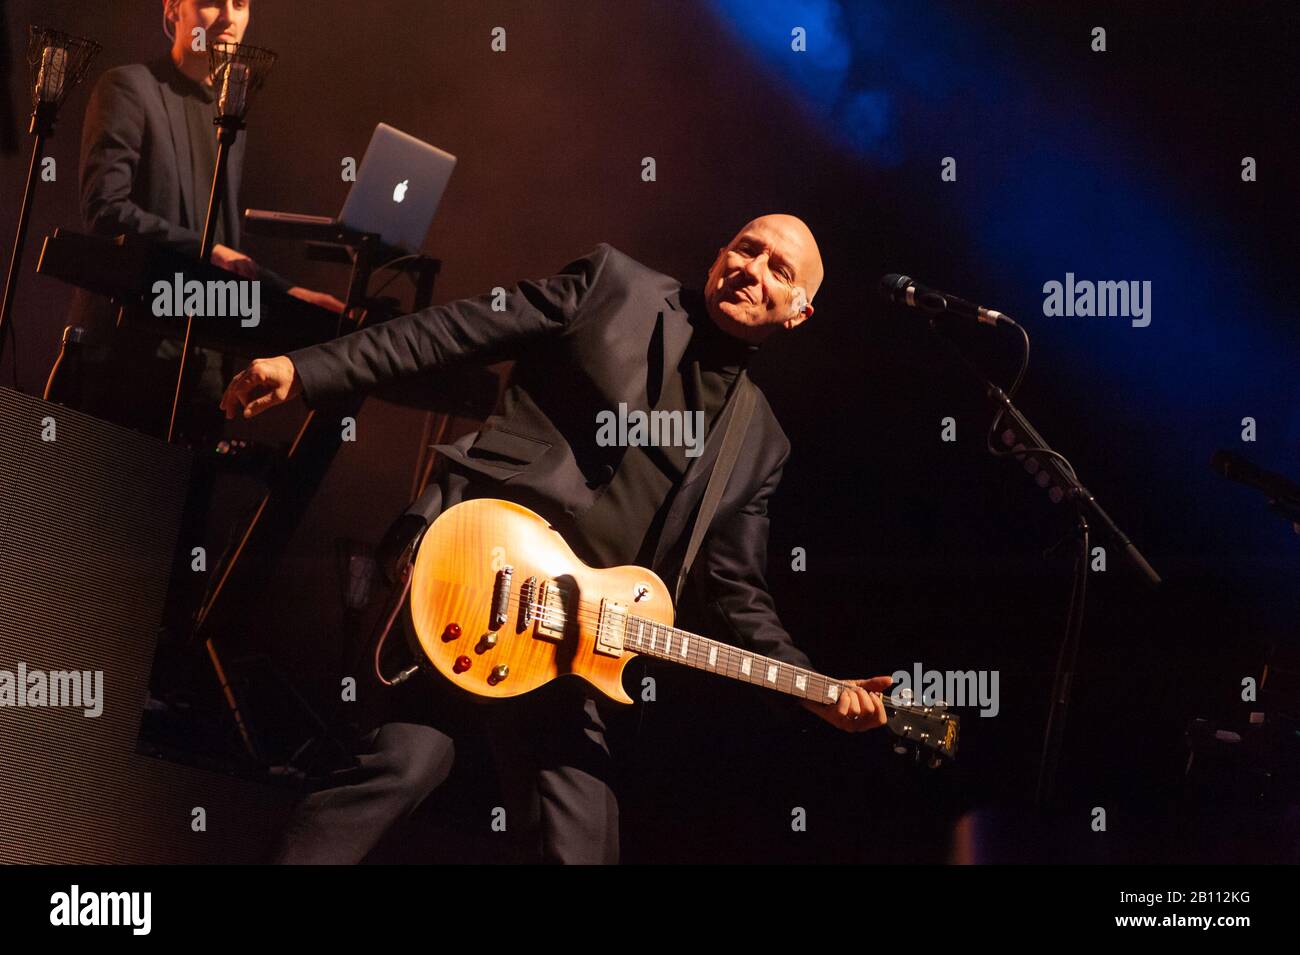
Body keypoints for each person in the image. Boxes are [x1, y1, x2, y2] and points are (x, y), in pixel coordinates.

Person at [221, 214, 894, 864]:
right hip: (474, 569)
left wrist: (811, 684)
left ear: (799, 311)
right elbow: (457, 329)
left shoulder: (759, 442)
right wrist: (305, 370)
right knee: (399, 767)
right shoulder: (615, 286)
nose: (753, 269)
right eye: (747, 249)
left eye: (779, 269)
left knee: (580, 843)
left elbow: (737, 591)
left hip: (570, 644)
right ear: (721, 253)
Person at [68, 0, 343, 439]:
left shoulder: (227, 114)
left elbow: (223, 246)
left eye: (241, 4)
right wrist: (209, 251)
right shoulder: (128, 87)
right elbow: (106, 209)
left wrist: (288, 291)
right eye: (213, 2)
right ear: (174, 9)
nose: (230, 18)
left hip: (202, 364)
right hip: (128, 357)